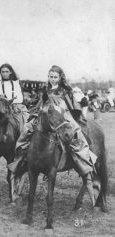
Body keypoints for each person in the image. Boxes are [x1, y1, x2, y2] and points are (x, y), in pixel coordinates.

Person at [8, 65, 97, 200]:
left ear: (60, 78)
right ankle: (22, 155)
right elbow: (40, 105)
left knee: (76, 132)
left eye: (55, 77)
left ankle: (82, 158)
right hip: (46, 115)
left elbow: (70, 106)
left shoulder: (65, 90)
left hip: (62, 116)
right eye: (51, 77)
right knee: (27, 129)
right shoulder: (45, 89)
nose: (53, 80)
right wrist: (37, 111)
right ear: (48, 77)